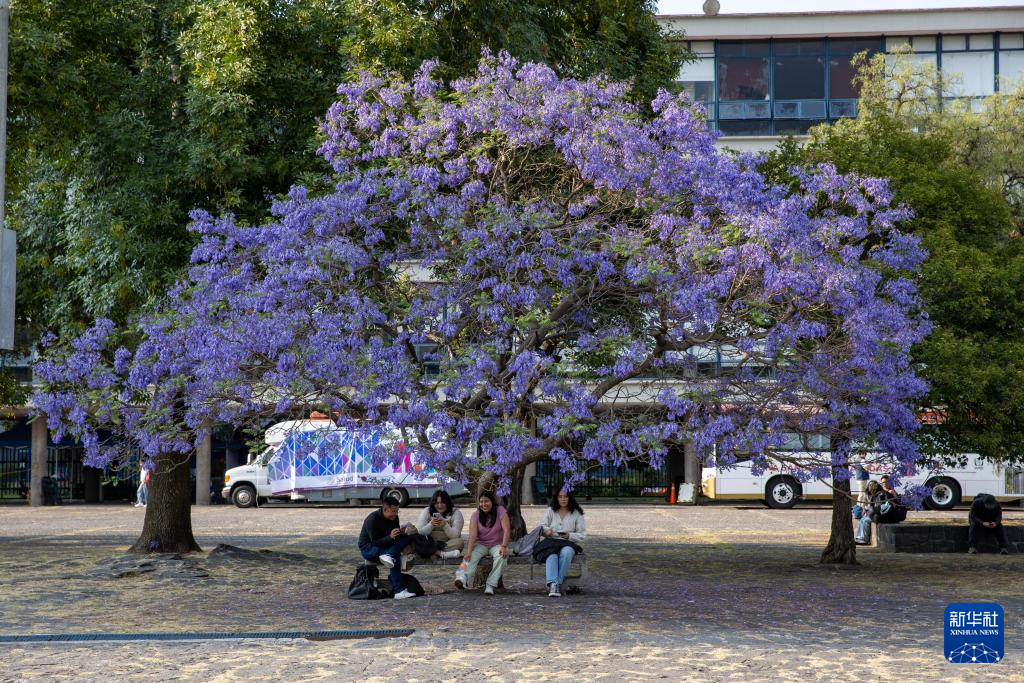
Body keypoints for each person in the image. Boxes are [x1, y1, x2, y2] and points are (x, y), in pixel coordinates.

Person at [358, 495, 419, 599]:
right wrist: (390, 537)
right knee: (394, 557)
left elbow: (395, 537)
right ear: (385, 509)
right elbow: (375, 542)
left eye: (397, 511)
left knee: (409, 537)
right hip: (369, 548)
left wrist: (401, 532)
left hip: (388, 546)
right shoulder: (372, 519)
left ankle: (389, 554)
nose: (395, 514)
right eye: (393, 511)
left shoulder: (394, 518)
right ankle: (399, 590)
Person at [455, 491, 510, 595]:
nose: (484, 504)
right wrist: (469, 551)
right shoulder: (476, 515)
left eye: (486, 501)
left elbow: (507, 530)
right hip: (482, 544)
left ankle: (490, 584)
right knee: (469, 557)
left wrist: (504, 546)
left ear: (492, 502)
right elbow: (472, 535)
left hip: (497, 544)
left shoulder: (500, 511)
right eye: (481, 502)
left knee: (502, 557)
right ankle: (462, 577)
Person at [539, 489, 587, 597]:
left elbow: (582, 534)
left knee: (567, 552)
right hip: (552, 542)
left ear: (570, 498)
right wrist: (547, 531)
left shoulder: (576, 513)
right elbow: (541, 526)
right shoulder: (550, 510)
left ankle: (555, 583)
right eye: (560, 496)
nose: (563, 499)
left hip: (568, 542)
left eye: (565, 496)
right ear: (556, 498)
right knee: (551, 555)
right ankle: (553, 583)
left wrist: (570, 535)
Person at [416, 489, 464, 560]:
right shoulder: (426, 511)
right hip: (429, 542)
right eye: (437, 503)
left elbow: (455, 535)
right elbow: (420, 532)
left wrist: (445, 525)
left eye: (442, 503)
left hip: (447, 544)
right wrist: (431, 525)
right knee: (413, 536)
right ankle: (440, 554)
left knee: (460, 542)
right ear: (433, 503)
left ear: (447, 503)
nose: (440, 505)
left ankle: (431, 553)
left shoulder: (456, 513)